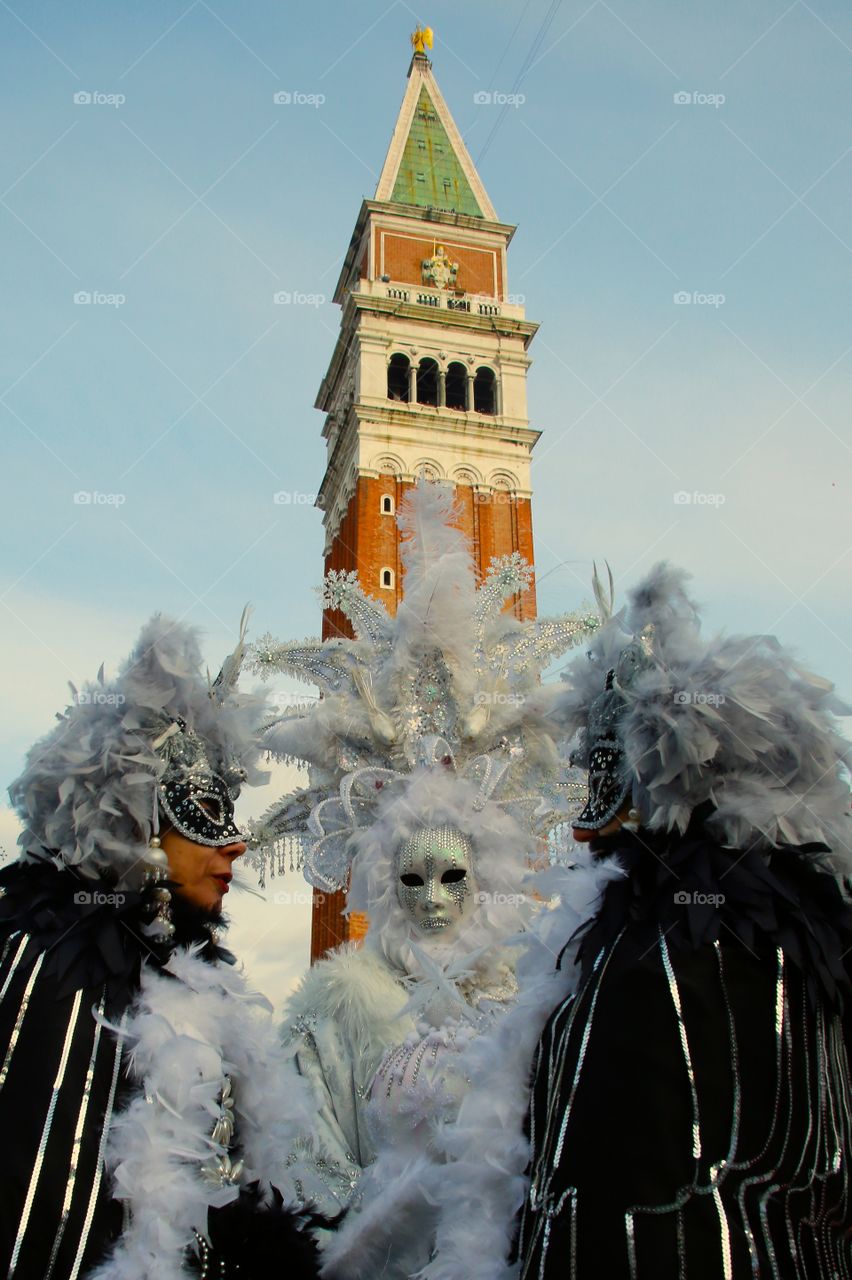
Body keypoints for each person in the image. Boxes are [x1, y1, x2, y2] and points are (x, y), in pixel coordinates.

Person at [437, 562, 852, 1280]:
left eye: (599, 790)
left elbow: (597, 1216)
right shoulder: (811, 949)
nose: (578, 834)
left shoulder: (648, 963)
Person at [245, 479, 600, 1277]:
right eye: (413, 880)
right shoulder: (340, 1007)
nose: (435, 899)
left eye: (452, 878)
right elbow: (308, 1168)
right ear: (383, 879)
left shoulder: (535, 992)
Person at [1, 614, 322, 1279]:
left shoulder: (193, 983)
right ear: (136, 818)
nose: (236, 843)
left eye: (232, 818)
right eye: (205, 814)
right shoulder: (56, 967)